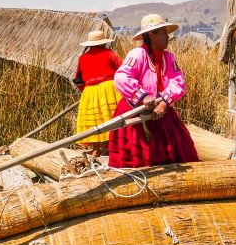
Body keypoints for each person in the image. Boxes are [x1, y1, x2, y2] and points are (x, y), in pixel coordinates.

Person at [109, 14, 199, 167]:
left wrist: (164, 104)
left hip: (161, 109)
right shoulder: (137, 55)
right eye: (163, 32)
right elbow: (121, 77)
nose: (167, 37)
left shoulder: (168, 58)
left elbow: (178, 82)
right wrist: (142, 97)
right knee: (138, 157)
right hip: (136, 110)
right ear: (151, 34)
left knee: (181, 148)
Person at [73, 29, 122, 157]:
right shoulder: (110, 54)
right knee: (112, 117)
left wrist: (85, 92)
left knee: (95, 120)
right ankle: (114, 147)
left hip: (89, 91)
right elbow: (123, 71)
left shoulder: (83, 58)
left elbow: (78, 80)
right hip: (109, 89)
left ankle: (96, 150)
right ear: (104, 43)